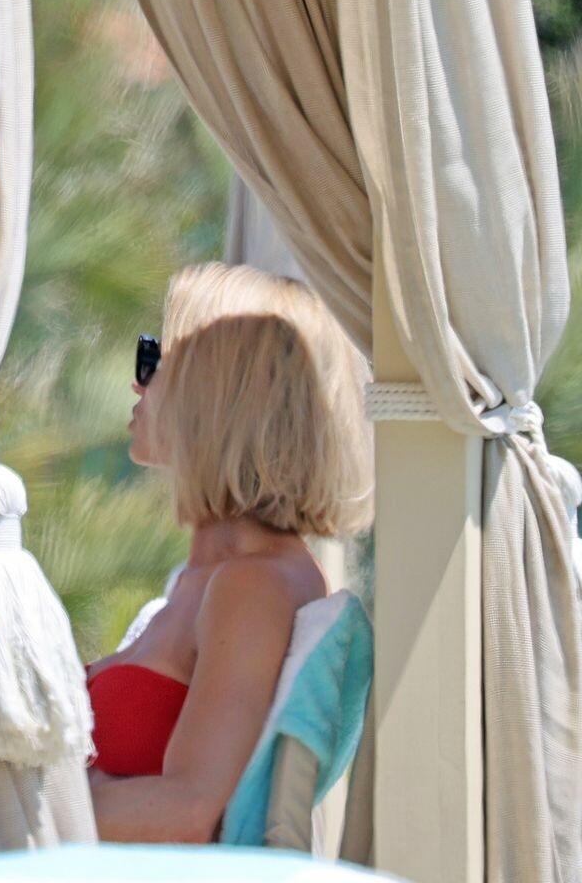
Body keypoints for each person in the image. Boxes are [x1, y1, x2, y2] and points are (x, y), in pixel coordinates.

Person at [84, 263, 370, 843]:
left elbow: (192, 811)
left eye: (156, 361)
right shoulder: (208, 580)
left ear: (217, 394)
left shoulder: (253, 586)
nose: (139, 383)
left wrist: (11, 809)